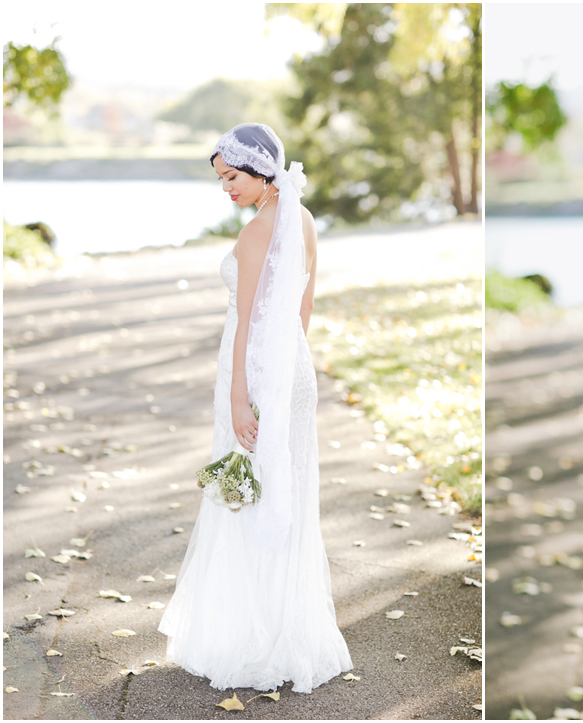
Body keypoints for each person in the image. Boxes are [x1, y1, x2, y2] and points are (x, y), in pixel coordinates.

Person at [159, 123, 353, 693]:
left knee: (251, 492)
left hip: (251, 373)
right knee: (280, 488)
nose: (226, 187)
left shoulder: (253, 235)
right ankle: (281, 624)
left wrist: (241, 396)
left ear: (263, 171)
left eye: (233, 176)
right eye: (220, 179)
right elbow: (303, 304)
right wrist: (288, 368)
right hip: (291, 369)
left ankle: (250, 636)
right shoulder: (304, 220)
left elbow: (246, 320)